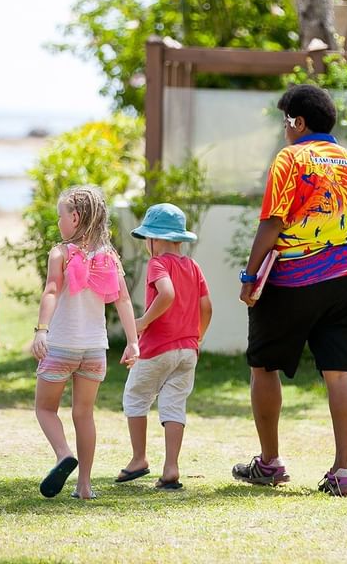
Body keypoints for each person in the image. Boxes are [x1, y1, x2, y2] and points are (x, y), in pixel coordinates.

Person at [232, 83, 347, 498]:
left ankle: (270, 462)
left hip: (290, 280)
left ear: (298, 122)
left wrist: (249, 275)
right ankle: (342, 471)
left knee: (263, 365)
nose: (284, 130)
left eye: (285, 121)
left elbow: (273, 222)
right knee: (341, 372)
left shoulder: (290, 159)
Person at [32, 185, 138, 499]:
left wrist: (41, 330)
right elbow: (124, 300)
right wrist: (133, 343)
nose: (59, 222)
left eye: (61, 216)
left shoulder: (60, 252)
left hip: (62, 346)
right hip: (94, 350)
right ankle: (85, 486)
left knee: (45, 408)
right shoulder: (109, 256)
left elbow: (51, 290)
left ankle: (64, 454)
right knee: (84, 414)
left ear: (75, 217)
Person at [116, 203, 213, 491]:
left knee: (135, 397)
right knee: (173, 404)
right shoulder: (193, 266)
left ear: (153, 239)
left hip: (158, 347)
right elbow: (206, 307)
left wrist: (144, 321)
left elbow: (167, 293)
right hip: (187, 350)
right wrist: (198, 337)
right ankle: (171, 468)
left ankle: (138, 459)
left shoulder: (158, 263)